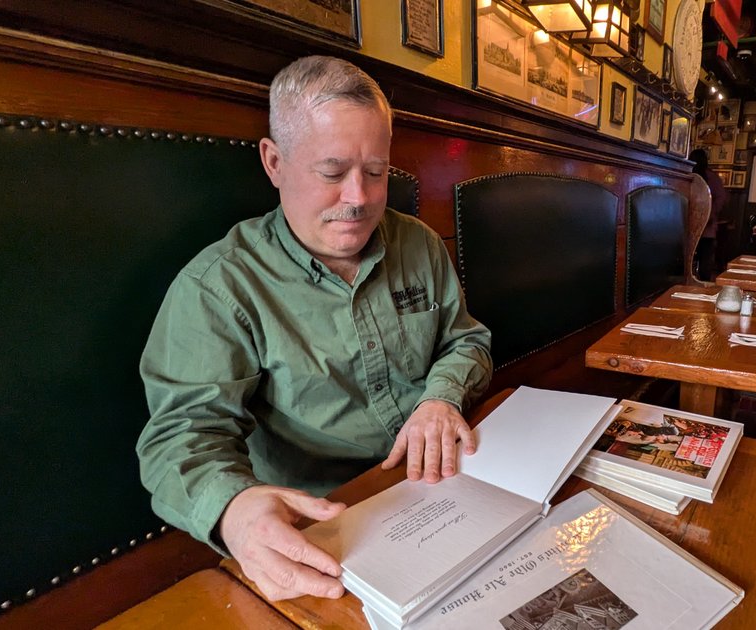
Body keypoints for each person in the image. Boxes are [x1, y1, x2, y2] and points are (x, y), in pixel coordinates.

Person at [136, 56, 493, 601]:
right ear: (274, 162)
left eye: (376, 172)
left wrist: (440, 399)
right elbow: (181, 436)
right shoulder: (219, 286)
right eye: (331, 173)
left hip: (447, 481)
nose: (359, 198)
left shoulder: (419, 243)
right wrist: (233, 509)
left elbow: (465, 340)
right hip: (325, 527)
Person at [689, 148, 725, 280]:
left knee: (697, 259)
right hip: (703, 227)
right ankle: (702, 285)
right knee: (704, 260)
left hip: (698, 226)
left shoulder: (692, 175)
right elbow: (721, 198)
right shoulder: (712, 177)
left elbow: (720, 198)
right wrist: (711, 213)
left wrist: (709, 213)